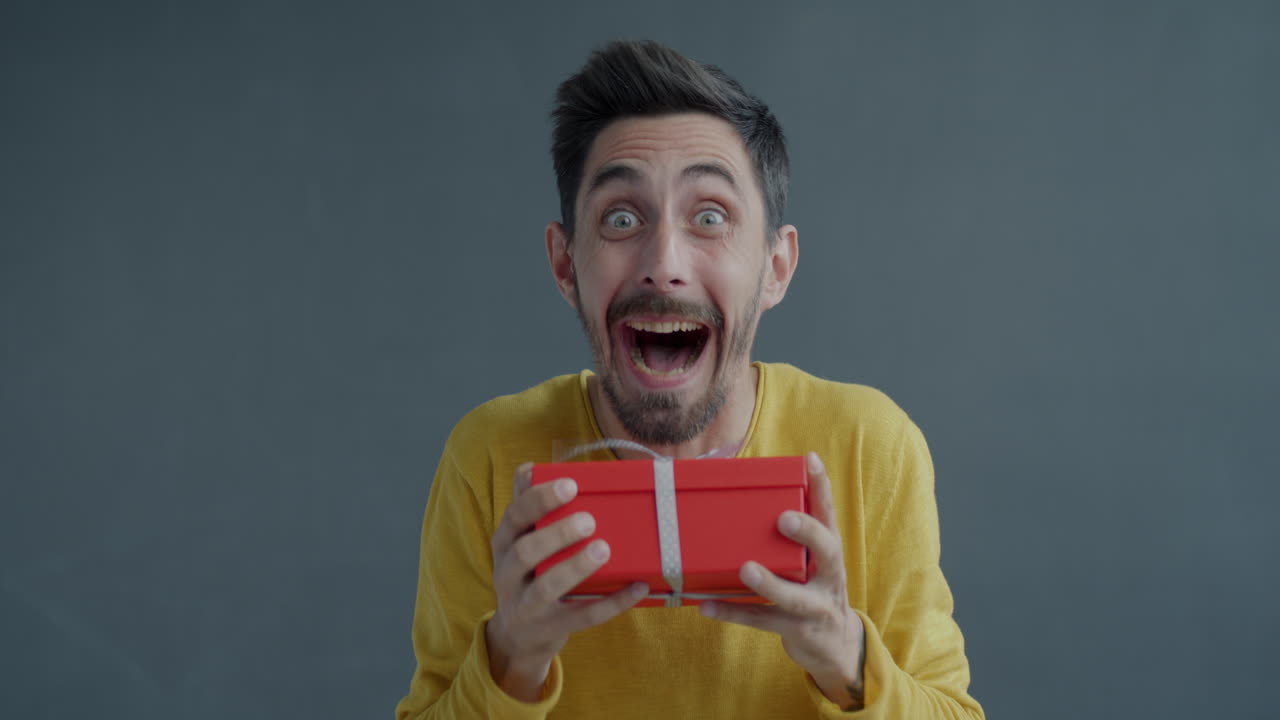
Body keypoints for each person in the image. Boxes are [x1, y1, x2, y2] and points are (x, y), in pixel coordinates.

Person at [395, 39, 984, 719]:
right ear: (565, 267)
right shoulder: (490, 460)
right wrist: (511, 660)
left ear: (776, 268)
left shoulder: (870, 449)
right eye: (621, 217)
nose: (664, 262)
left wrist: (844, 656)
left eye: (710, 217)